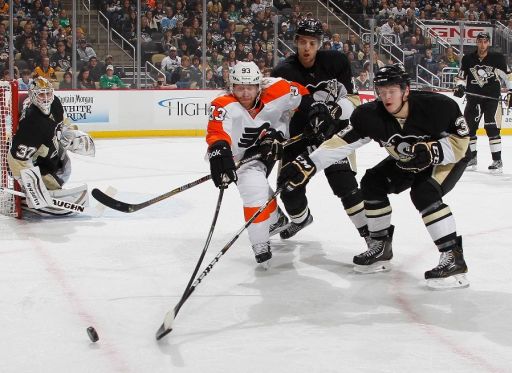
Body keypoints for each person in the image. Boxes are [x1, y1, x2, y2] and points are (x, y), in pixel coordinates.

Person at [278, 64, 471, 290]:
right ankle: (380, 246)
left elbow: (461, 144)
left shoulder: (438, 106)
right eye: (382, 90)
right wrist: (307, 164)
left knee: (424, 193)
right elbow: (341, 143)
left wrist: (433, 151)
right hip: (407, 159)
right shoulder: (370, 116)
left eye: (392, 90)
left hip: (448, 159)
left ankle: (453, 257)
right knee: (372, 183)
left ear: (405, 90)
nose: (387, 96)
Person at [206, 61, 320, 267]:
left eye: (250, 87)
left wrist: (315, 111)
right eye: (239, 87)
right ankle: (272, 226)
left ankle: (266, 236)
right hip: (242, 155)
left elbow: (302, 94)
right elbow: (217, 133)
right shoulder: (222, 104)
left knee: (258, 189)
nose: (245, 93)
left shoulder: (278, 89)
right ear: (231, 86)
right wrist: (219, 154)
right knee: (254, 190)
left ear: (259, 85)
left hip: (272, 144)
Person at [271, 18, 369, 246]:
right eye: (303, 42)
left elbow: (353, 99)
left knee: (345, 186)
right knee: (288, 190)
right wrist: (274, 135)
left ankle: (373, 238)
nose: (307, 48)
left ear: (320, 43)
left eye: (312, 43)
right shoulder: (283, 71)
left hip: (332, 135)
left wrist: (334, 111)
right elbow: (277, 111)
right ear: (296, 42)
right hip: (299, 137)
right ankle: (301, 219)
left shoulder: (337, 62)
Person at [7, 77, 95, 216]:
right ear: (33, 95)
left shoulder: (55, 103)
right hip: (39, 163)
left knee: (62, 167)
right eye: (41, 94)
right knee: (51, 180)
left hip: (51, 156)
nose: (46, 98)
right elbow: (17, 158)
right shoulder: (32, 122)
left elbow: (63, 122)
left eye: (48, 93)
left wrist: (70, 132)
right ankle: (34, 193)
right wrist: (30, 184)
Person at [454, 31, 512, 173]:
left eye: (485, 41)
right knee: (470, 129)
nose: (482, 44)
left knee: (491, 127)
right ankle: (472, 158)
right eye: (480, 41)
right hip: (473, 98)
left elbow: (508, 76)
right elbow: (461, 76)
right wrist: (460, 86)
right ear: (476, 42)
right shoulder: (468, 59)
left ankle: (497, 160)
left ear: (489, 43)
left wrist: (511, 91)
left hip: (492, 98)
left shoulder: (497, 58)